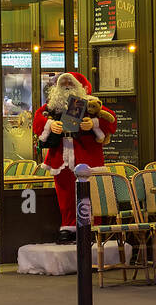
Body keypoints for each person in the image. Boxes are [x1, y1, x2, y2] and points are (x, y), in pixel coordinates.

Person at [32, 71, 116, 245]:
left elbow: (112, 120)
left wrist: (93, 123)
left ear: (81, 87)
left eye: (70, 85)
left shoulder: (92, 103)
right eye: (63, 85)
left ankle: (91, 227)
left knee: (89, 193)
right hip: (60, 158)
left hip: (85, 156)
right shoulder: (52, 106)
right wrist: (50, 124)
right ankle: (68, 227)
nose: (67, 88)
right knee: (65, 193)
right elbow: (38, 120)